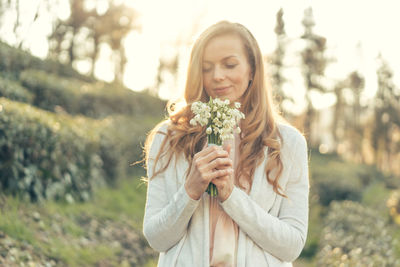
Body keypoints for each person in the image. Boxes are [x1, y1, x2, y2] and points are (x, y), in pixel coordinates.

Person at [142, 20, 309, 267]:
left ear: (252, 69)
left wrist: (231, 196)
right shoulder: (170, 137)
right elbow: (157, 238)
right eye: (206, 67)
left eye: (229, 64)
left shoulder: (287, 143)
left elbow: (292, 245)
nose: (217, 76)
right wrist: (190, 190)